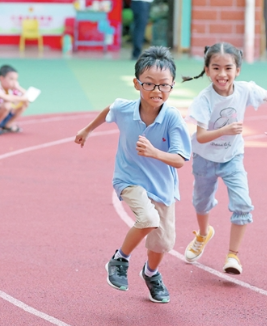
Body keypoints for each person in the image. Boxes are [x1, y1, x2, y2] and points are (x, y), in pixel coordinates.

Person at [74, 46, 191, 303]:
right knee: (147, 218)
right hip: (128, 179)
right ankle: (120, 259)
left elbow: (180, 159)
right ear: (137, 84)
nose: (157, 91)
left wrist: (154, 152)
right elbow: (109, 110)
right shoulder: (125, 109)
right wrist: (87, 129)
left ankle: (151, 273)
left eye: (164, 85)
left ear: (172, 86)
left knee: (162, 244)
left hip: (162, 187)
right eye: (149, 84)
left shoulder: (172, 118)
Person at [181, 42, 267, 274]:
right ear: (206, 70)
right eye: (216, 68)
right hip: (204, 159)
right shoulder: (204, 100)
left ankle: (233, 256)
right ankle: (203, 234)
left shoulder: (245, 89)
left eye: (228, 68)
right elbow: (202, 136)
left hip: (232, 157)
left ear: (238, 70)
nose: (222, 74)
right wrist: (225, 131)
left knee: (243, 204)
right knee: (201, 203)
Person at [0, 64, 30, 135]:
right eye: (11, 79)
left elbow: (28, 97)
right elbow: (6, 98)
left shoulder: (12, 90)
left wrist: (18, 87)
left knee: (25, 103)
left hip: (4, 116)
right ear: (1, 78)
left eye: (16, 80)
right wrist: (23, 98)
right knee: (7, 104)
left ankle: (7, 125)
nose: (14, 82)